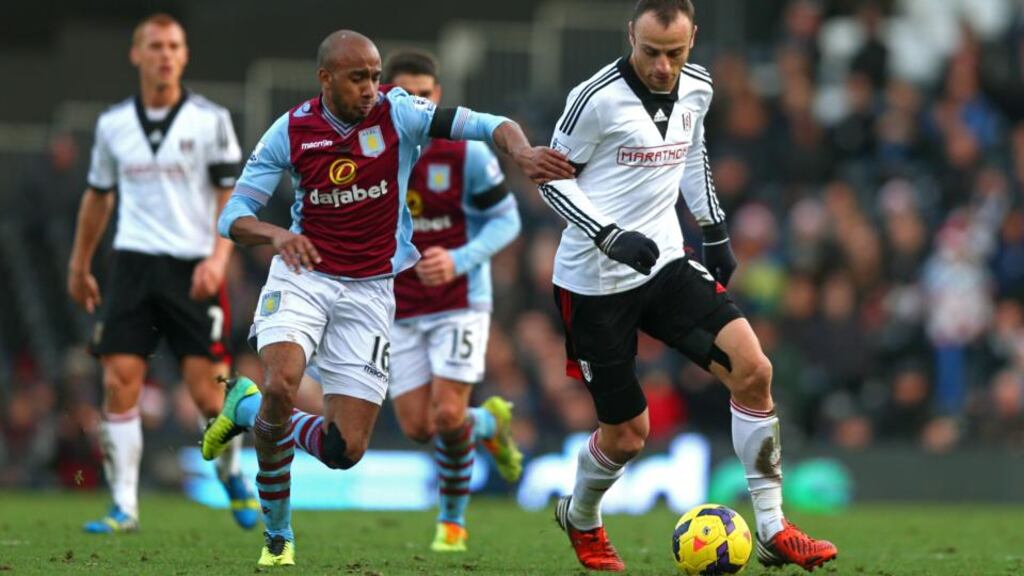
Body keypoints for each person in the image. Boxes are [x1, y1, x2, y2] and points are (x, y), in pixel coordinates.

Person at [205, 30, 571, 566]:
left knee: (344, 451)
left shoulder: (400, 114)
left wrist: (521, 150)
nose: (372, 88)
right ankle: (278, 535)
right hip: (303, 274)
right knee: (284, 380)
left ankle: (246, 406)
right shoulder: (291, 130)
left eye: (376, 76)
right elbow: (231, 215)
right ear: (325, 79)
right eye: (359, 78)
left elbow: (489, 125)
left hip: (373, 291)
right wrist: (276, 235)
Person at [540, 1, 838, 571]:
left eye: (674, 53)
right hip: (595, 281)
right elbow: (551, 184)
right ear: (631, 34)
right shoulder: (593, 99)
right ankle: (580, 514)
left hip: (666, 265)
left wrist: (715, 230)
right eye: (650, 51)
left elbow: (692, 154)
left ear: (693, 40)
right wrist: (608, 235)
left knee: (754, 370)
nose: (661, 65)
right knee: (628, 436)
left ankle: (774, 527)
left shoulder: (698, 85)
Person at [67, 13, 257, 534]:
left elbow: (231, 195)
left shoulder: (210, 120)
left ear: (185, 55)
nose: (165, 54)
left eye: (174, 45)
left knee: (205, 393)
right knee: (119, 381)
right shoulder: (112, 125)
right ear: (137, 54)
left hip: (193, 265)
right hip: (131, 265)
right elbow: (98, 198)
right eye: (155, 45)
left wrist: (218, 259)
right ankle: (124, 506)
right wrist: (80, 264)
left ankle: (233, 474)